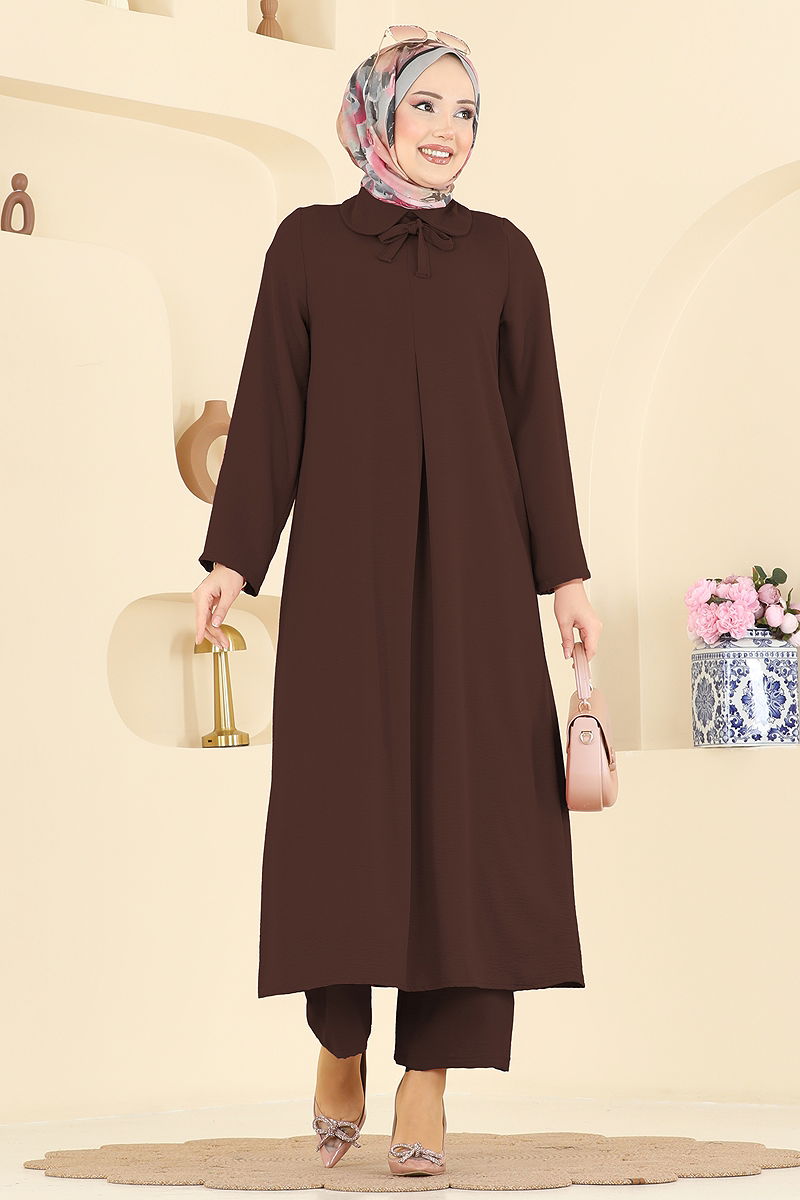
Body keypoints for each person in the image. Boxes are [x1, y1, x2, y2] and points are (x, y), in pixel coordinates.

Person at [192, 28, 603, 1179]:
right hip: (344, 576)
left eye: (464, 112)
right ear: (373, 113)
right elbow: (270, 408)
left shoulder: (503, 256)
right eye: (425, 104)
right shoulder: (307, 246)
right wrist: (231, 558)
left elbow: (536, 424)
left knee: (472, 820)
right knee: (343, 814)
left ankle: (428, 1081)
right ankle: (339, 1042)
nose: (446, 130)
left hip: (478, 580)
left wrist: (565, 577)